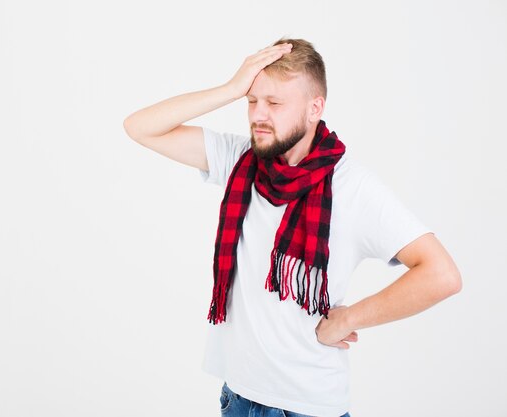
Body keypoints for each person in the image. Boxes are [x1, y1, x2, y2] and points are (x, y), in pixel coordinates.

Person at [123, 38, 462, 417]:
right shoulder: (240, 160)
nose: (258, 115)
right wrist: (230, 88)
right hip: (237, 398)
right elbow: (140, 127)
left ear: (315, 108)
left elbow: (441, 274)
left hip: (304, 408)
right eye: (253, 101)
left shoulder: (352, 186)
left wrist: (349, 318)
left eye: (275, 103)